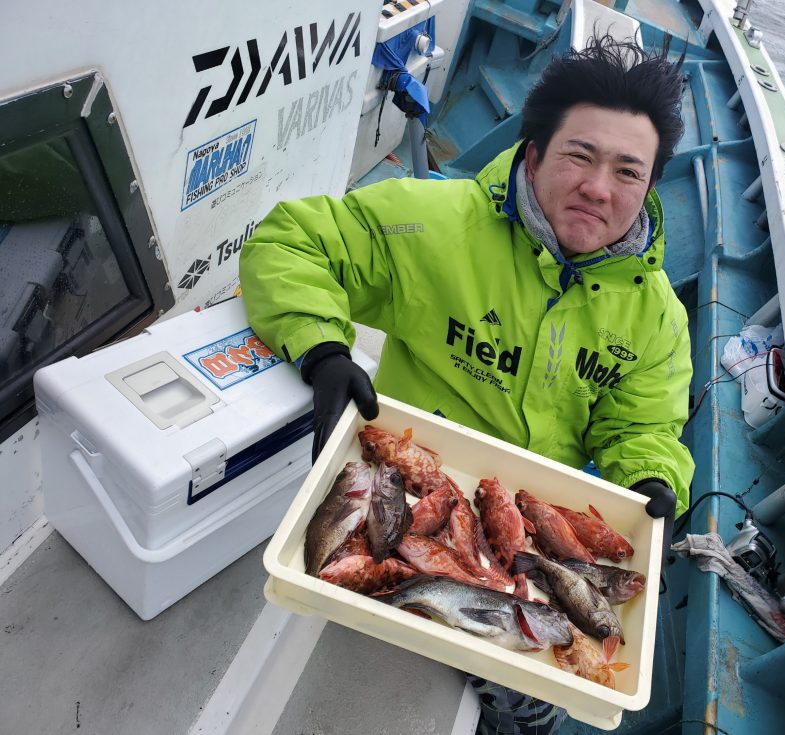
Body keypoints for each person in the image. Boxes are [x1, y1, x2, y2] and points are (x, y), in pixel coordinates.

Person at [241, 34, 692, 735]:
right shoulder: (435, 222)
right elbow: (291, 242)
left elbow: (644, 428)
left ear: (649, 185)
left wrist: (653, 480)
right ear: (534, 152)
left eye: (628, 171)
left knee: (529, 703)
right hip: (407, 498)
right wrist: (324, 351)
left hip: (524, 547)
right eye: (580, 154)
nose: (600, 188)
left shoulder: (657, 315)